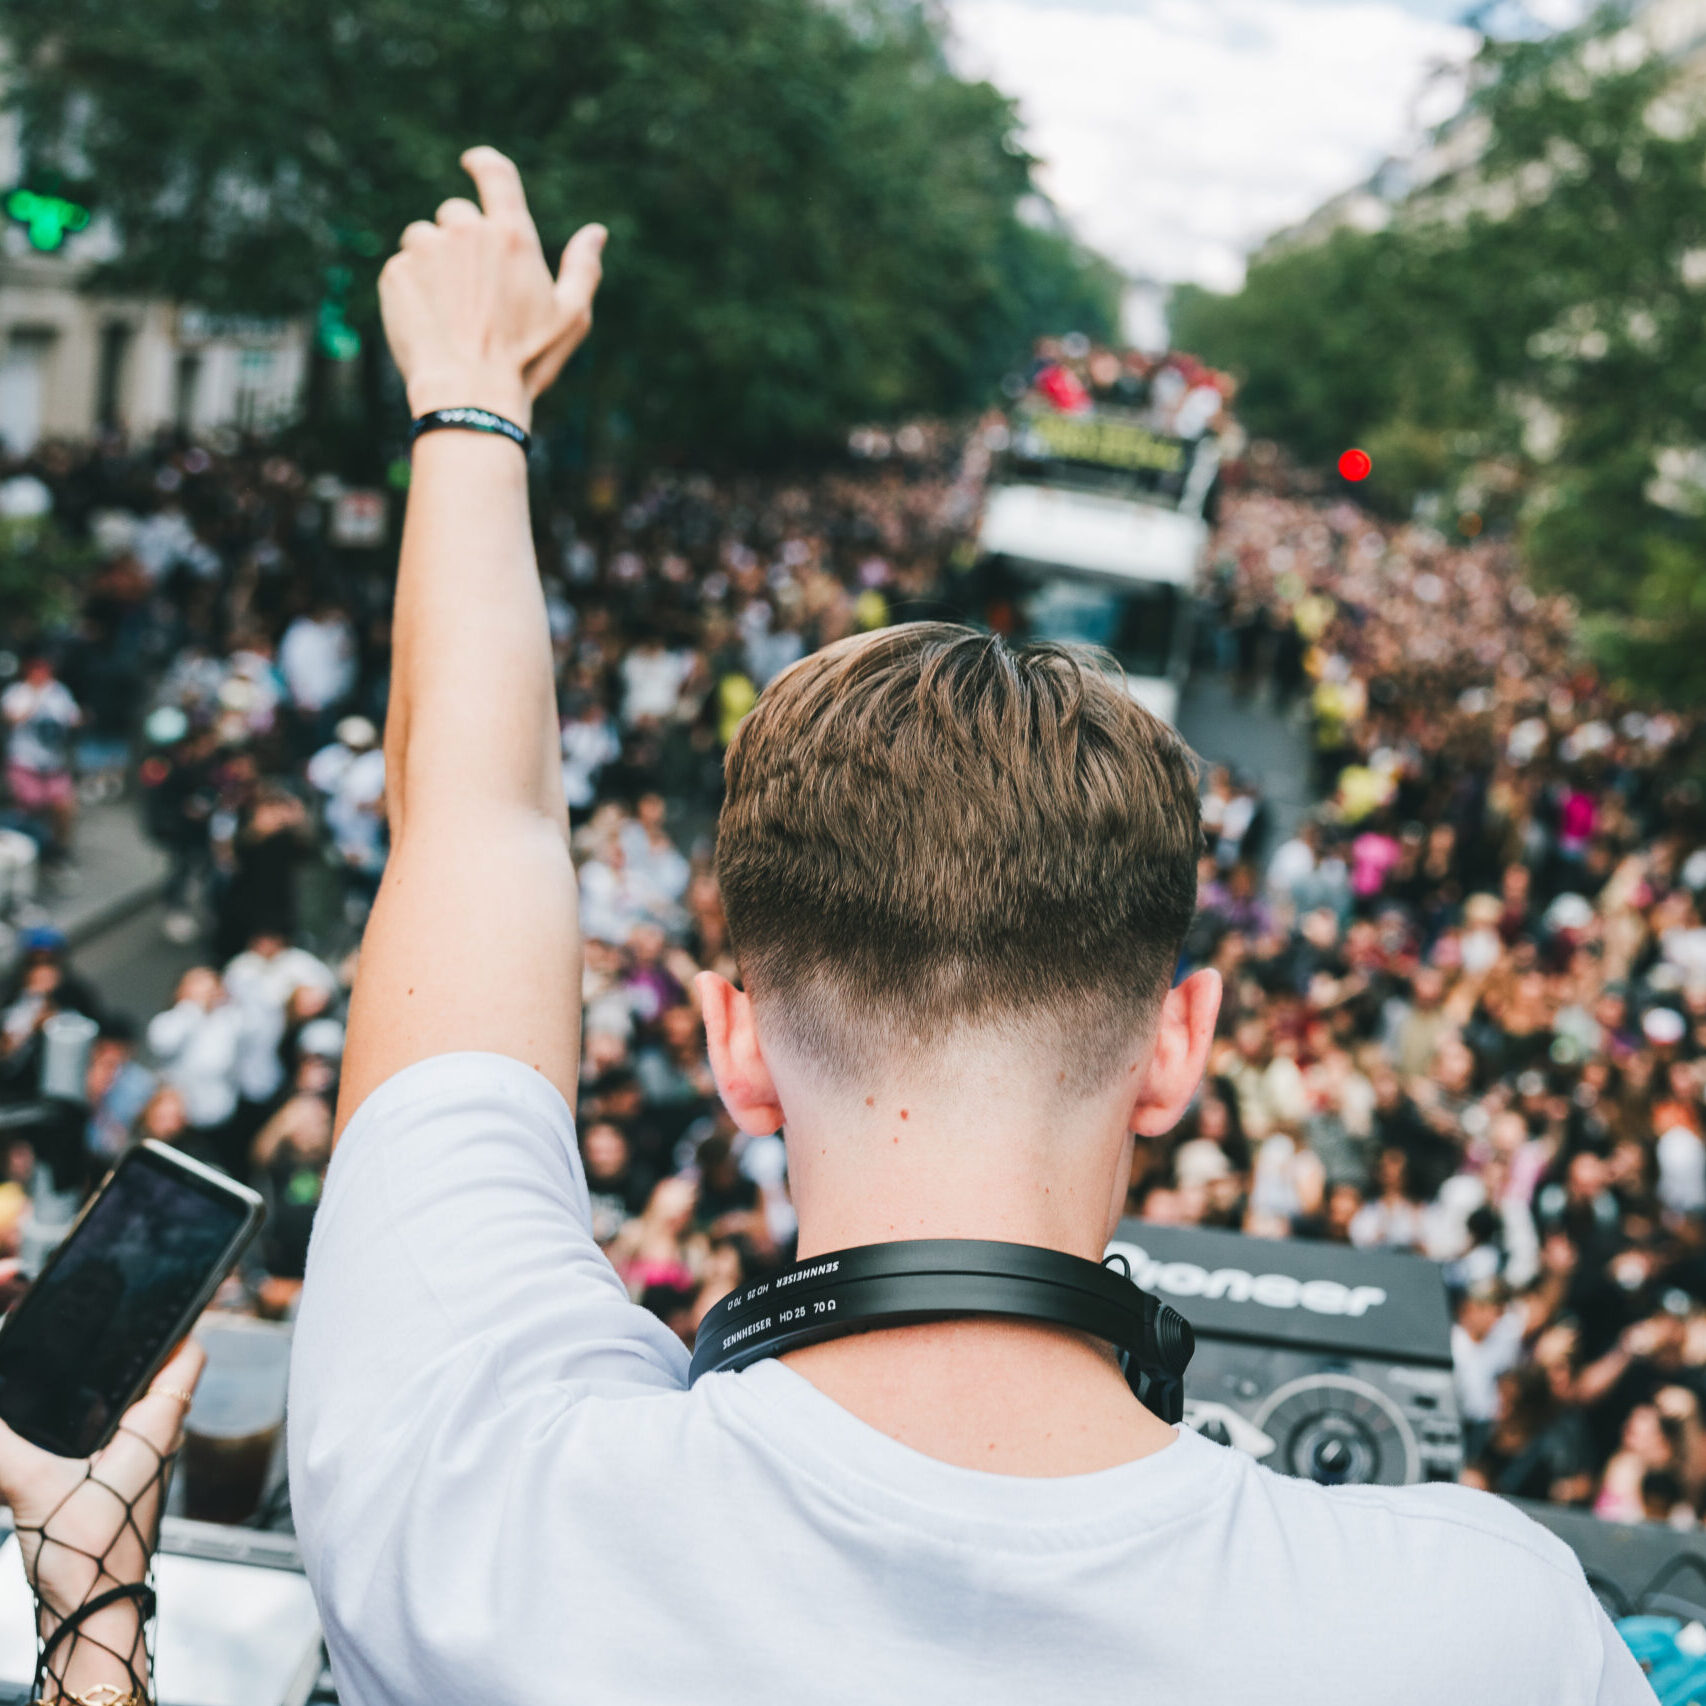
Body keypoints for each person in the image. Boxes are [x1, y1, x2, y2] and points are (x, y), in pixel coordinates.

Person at [277, 150, 1645, 1705]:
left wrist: (470, 401)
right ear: (1175, 1047)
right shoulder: (1478, 1636)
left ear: (735, 1047)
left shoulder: (480, 1500)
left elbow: (473, 822)